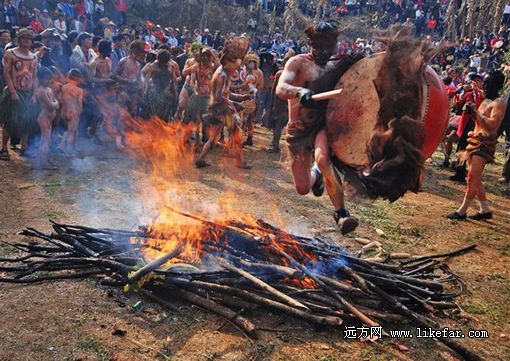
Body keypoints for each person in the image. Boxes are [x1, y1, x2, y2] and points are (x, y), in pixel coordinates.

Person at [276, 22, 358, 234]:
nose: (323, 52)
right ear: (310, 44)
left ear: (334, 46)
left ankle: (341, 213)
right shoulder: (297, 63)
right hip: (299, 130)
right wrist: (298, 91)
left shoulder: (335, 66)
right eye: (318, 47)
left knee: (323, 159)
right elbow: (281, 87)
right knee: (303, 188)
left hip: (323, 125)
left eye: (328, 48)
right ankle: (316, 176)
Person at [447, 71, 506, 220]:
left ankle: (462, 211)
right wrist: (471, 112)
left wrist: (476, 113)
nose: (484, 86)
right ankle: (485, 210)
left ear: (498, 86)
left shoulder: (499, 103)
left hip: (485, 144)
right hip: (474, 141)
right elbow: (479, 121)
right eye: (484, 83)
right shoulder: (486, 101)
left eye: (489, 84)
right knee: (475, 177)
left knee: (472, 177)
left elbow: (492, 126)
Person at [194, 42, 252, 169]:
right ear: (228, 62)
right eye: (234, 63)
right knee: (236, 134)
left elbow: (226, 93)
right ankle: (240, 162)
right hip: (220, 109)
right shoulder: (222, 75)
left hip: (219, 108)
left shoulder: (223, 71)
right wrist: (236, 104)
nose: (236, 67)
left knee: (214, 138)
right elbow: (220, 97)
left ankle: (200, 159)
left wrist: (242, 97)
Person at [0, 28, 38, 160]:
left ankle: (24, 147)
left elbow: (34, 76)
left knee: (27, 120)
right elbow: (6, 73)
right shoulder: (10, 53)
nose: (27, 40)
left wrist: (34, 94)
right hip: (14, 91)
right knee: (9, 121)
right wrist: (12, 91)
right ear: (18, 39)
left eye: (29, 38)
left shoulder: (34, 56)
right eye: (24, 37)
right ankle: (4, 148)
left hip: (28, 92)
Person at [183, 47, 217, 147]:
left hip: (208, 97)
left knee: (207, 120)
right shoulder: (196, 67)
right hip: (198, 97)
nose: (206, 59)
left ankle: (205, 140)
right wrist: (195, 91)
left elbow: (220, 67)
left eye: (208, 56)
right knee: (195, 120)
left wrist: (213, 55)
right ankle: (192, 141)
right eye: (205, 56)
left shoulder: (213, 66)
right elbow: (192, 81)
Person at [113, 40, 146, 116]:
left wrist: (141, 93)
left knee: (132, 116)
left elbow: (139, 81)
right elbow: (114, 75)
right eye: (140, 51)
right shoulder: (124, 61)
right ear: (135, 50)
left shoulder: (138, 64)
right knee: (122, 116)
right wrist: (127, 81)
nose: (142, 54)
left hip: (134, 94)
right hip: (123, 93)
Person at [35, 66, 59, 169]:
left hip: (49, 118)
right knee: (46, 140)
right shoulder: (41, 91)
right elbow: (52, 104)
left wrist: (55, 103)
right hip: (44, 118)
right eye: (47, 79)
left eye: (50, 78)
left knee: (47, 140)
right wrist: (56, 103)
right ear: (40, 79)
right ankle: (44, 163)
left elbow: (54, 101)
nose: (49, 81)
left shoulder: (49, 89)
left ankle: (45, 159)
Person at [59, 69, 84, 155]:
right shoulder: (79, 90)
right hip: (73, 112)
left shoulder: (64, 87)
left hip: (64, 111)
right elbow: (79, 103)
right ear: (78, 78)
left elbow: (60, 100)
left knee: (68, 130)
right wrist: (79, 112)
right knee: (71, 132)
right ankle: (68, 151)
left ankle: (62, 145)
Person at [241, 51, 264, 146]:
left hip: (253, 99)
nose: (251, 64)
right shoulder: (242, 71)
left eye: (253, 62)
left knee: (250, 120)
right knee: (241, 119)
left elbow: (261, 86)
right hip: (241, 97)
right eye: (250, 61)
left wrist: (254, 92)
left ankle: (249, 138)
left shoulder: (258, 72)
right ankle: (239, 137)